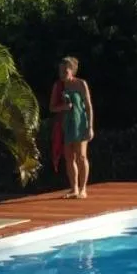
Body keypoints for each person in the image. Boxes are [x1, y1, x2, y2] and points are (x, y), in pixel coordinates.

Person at [49, 56, 94, 199]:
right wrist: (64, 106)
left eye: (65, 70)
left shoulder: (81, 84)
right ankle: (74, 188)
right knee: (69, 157)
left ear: (72, 70)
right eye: (60, 70)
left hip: (80, 123)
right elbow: (52, 108)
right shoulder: (58, 86)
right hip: (66, 124)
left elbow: (88, 107)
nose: (62, 73)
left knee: (81, 156)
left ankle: (83, 188)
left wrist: (90, 127)